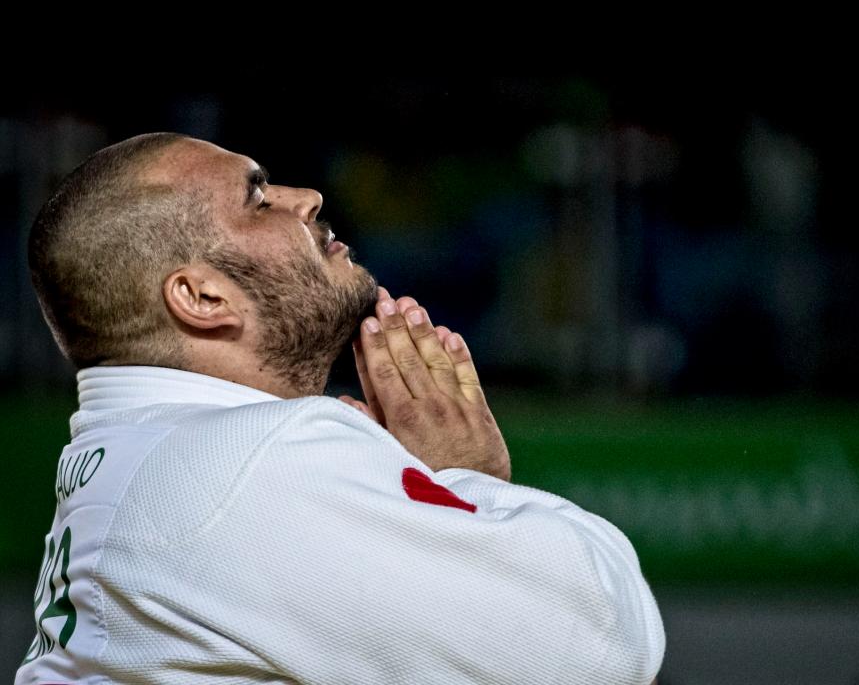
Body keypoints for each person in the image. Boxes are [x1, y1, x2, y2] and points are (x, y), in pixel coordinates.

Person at [16, 132, 665, 685]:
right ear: (202, 297)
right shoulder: (253, 460)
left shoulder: (123, 455)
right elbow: (601, 647)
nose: (307, 198)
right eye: (258, 198)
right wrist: (465, 479)